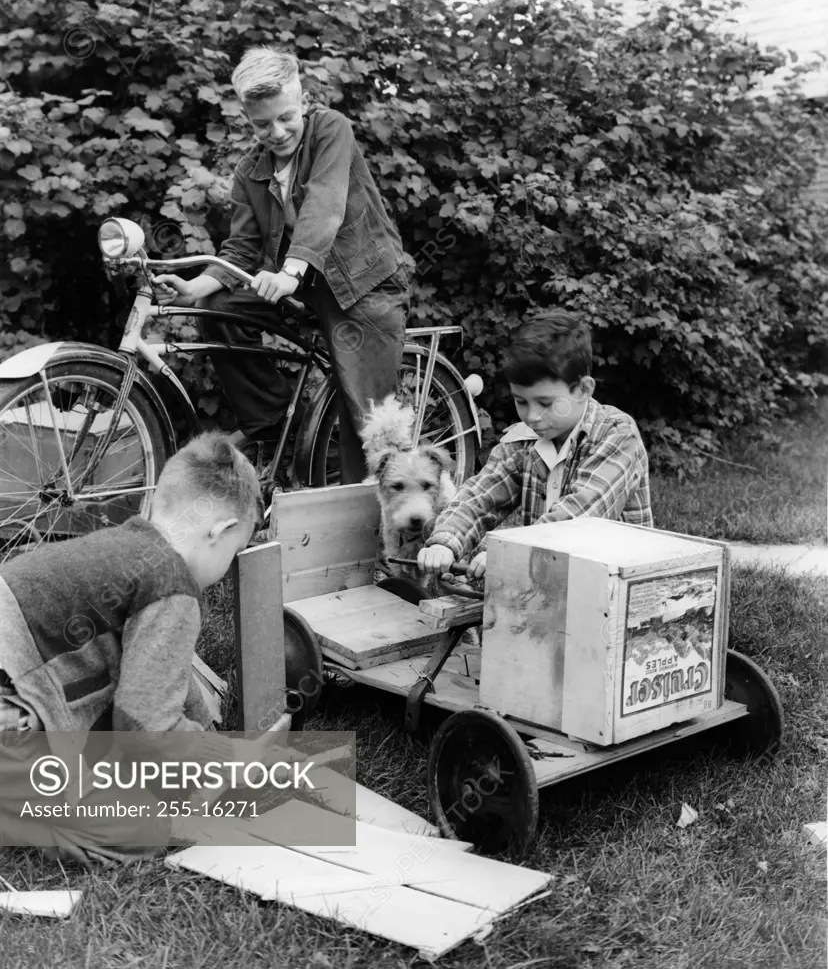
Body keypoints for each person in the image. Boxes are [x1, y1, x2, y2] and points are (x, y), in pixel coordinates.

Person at [0, 432, 265, 865]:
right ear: (221, 531)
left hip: (17, 687)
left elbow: (164, 679)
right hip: (11, 720)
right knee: (144, 827)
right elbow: (142, 723)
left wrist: (207, 742)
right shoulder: (170, 584)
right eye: (235, 552)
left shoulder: (129, 549)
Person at [152, 47, 410, 484]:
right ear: (246, 120)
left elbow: (324, 205)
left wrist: (290, 272)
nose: (276, 131)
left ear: (304, 101)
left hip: (363, 284)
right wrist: (195, 288)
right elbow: (240, 249)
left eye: (286, 117)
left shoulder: (331, 129)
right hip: (302, 285)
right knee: (219, 312)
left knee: (365, 417)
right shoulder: (250, 169)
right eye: (261, 124)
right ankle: (275, 430)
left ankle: (363, 520)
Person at [417, 310, 653, 579]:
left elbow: (581, 517)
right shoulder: (523, 443)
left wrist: (510, 552)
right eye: (521, 401)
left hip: (615, 585)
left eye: (545, 403)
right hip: (549, 579)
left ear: (583, 390)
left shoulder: (618, 434)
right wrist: (445, 541)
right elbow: (479, 497)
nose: (531, 416)